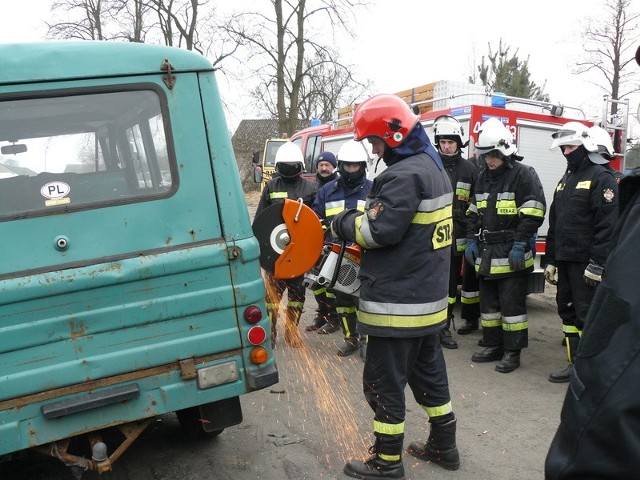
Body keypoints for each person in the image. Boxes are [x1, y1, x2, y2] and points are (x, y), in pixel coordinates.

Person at [331, 94, 459, 479]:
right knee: (429, 375)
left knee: (383, 383)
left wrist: (343, 222)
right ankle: (444, 445)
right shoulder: (434, 168)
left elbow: (377, 231)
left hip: (396, 305)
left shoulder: (402, 175)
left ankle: (387, 462)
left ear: (395, 134)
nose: (373, 149)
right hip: (428, 302)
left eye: (375, 141)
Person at [465, 117, 546, 374]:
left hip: (511, 251)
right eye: (486, 155)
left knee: (512, 308)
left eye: (495, 155)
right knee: (488, 306)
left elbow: (533, 212)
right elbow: (472, 212)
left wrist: (520, 244)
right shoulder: (483, 178)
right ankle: (493, 345)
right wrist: (470, 239)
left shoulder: (524, 175)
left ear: (506, 150)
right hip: (488, 253)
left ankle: (513, 352)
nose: (490, 160)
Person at [544, 122, 618, 383]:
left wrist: (597, 263)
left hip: (586, 262)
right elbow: (556, 223)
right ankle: (574, 365)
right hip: (565, 259)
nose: (566, 152)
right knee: (567, 312)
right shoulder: (566, 179)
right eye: (563, 147)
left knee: (588, 317)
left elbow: (607, 226)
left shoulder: (602, 178)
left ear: (585, 146)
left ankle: (590, 372)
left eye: (571, 146)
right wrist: (550, 260)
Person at [311, 140, 372, 356]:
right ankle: (351, 339)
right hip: (336, 255)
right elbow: (315, 220)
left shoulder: (373, 190)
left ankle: (366, 342)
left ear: (363, 166)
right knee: (343, 301)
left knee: (364, 300)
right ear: (341, 165)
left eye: (356, 166)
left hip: (365, 255)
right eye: (348, 165)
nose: (352, 170)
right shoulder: (327, 191)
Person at [254, 142, 316, 348]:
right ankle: (270, 333)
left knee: (297, 297)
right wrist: (262, 252)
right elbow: (261, 220)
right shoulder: (271, 187)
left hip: (299, 253)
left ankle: (292, 332)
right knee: (271, 298)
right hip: (275, 253)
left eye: (292, 166)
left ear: (299, 166)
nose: (289, 169)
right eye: (285, 166)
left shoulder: (309, 188)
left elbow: (315, 224)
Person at [432, 114, 480, 349]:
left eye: (451, 141)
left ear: (459, 143)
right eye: (443, 141)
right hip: (431, 236)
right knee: (430, 282)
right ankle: (429, 326)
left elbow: (476, 205)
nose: (447, 145)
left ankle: (444, 326)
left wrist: (472, 237)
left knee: (450, 286)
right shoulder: (431, 166)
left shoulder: (470, 170)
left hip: (458, 236)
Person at [305, 151, 340, 333]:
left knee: (330, 284)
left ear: (334, 166)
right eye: (321, 165)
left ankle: (334, 318)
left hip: (333, 243)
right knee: (315, 283)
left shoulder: (339, 186)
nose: (324, 168)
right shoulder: (311, 186)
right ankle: (322, 314)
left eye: (328, 165)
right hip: (315, 241)